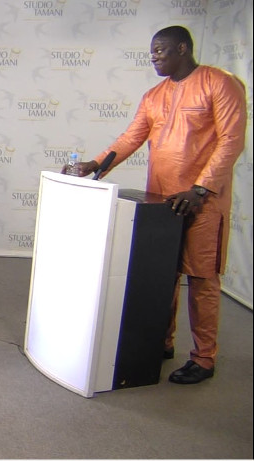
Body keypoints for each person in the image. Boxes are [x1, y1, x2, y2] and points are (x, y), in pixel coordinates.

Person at [72, 26, 246, 384]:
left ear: (182, 48)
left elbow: (231, 139)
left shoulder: (219, 83)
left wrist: (200, 189)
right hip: (161, 202)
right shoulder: (153, 95)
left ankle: (204, 358)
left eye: (160, 50)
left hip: (201, 203)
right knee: (162, 275)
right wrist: (96, 163)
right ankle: (161, 342)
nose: (153, 57)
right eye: (152, 52)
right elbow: (131, 137)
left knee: (202, 279)